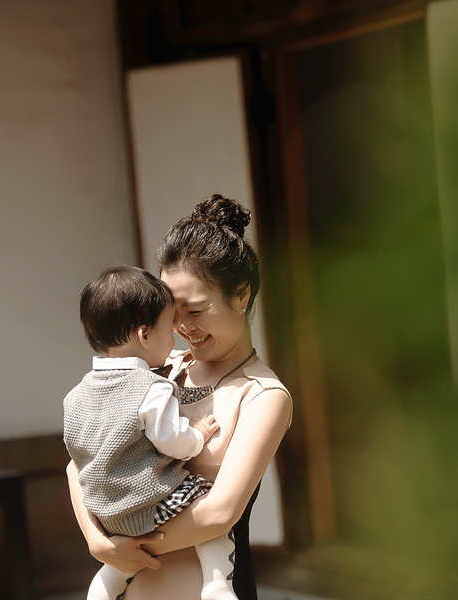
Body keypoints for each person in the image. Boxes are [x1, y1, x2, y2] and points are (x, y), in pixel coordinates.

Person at [67, 195, 293, 600]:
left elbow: (219, 513)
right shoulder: (152, 370)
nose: (183, 327)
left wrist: (127, 545)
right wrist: (98, 543)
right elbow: (79, 462)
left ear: (241, 295)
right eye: (172, 314)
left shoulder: (263, 395)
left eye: (196, 310)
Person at [63, 264, 243, 600]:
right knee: (205, 502)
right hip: (149, 505)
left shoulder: (76, 395)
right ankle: (217, 585)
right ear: (145, 335)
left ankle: (101, 593)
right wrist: (198, 434)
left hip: (105, 515)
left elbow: (77, 454)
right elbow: (172, 441)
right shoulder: (151, 387)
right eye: (168, 328)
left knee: (118, 566)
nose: (176, 337)